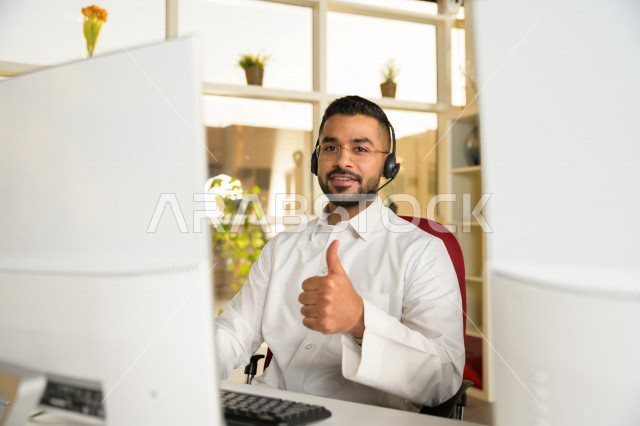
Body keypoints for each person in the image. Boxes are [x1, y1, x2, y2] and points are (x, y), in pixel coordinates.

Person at [215, 95, 464, 411]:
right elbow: (233, 334)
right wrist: (182, 373)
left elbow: (443, 379)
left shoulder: (422, 251)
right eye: (331, 147)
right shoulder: (281, 248)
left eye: (360, 149)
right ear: (316, 159)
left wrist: (360, 321)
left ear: (389, 165)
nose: (343, 161)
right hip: (271, 412)